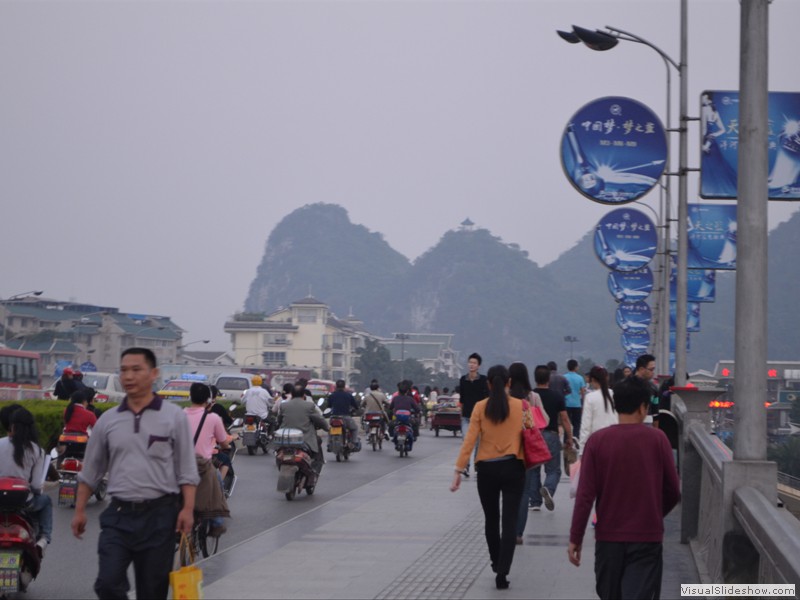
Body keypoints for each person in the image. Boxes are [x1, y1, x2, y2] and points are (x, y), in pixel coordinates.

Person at [71, 347, 199, 600]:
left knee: (152, 591)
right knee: (107, 584)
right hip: (118, 517)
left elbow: (187, 469)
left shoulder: (174, 417)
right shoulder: (107, 421)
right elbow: (91, 470)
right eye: (124, 370)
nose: (128, 376)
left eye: (136, 369)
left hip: (160, 517)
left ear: (154, 374)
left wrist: (187, 509)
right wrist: (80, 510)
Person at [568, 376, 681, 600]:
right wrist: (654, 515)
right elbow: (672, 491)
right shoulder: (658, 439)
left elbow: (585, 495)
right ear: (643, 407)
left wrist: (576, 537)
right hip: (646, 538)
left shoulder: (597, 442)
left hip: (608, 538)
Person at [451, 364, 526, 590]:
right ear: (509, 383)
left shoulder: (480, 408)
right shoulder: (522, 406)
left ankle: (495, 561)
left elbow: (470, 441)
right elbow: (532, 435)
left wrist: (458, 470)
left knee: (491, 519)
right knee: (510, 521)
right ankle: (502, 571)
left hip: (487, 469)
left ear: (489, 384)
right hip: (514, 468)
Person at [0, 407, 52, 559]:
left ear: (12, 426)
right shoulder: (37, 450)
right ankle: (44, 539)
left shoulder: (0, 443)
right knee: (46, 502)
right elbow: (36, 485)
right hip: (24, 503)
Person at [185, 382, 230, 538]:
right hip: (203, 466)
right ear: (209, 400)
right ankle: (216, 523)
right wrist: (225, 446)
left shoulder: (179, 415)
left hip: (180, 464)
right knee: (217, 482)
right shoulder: (213, 418)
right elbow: (224, 441)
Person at [527, 365, 573, 512]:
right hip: (551, 435)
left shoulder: (530, 396)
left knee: (534, 470)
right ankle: (548, 488)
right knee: (553, 470)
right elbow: (565, 418)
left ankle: (535, 502)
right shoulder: (557, 396)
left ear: (535, 379)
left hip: (534, 435)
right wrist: (569, 437)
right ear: (549, 379)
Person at [509, 361, 544, 544]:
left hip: (508, 450)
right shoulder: (532, 397)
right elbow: (543, 420)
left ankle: (508, 530)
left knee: (508, 493)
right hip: (527, 451)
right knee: (524, 493)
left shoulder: (505, 397)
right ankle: (518, 534)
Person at [278, 386, 330, 472]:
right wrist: (327, 428)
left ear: (292, 395)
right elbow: (320, 420)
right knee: (317, 443)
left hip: (285, 438)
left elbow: (279, 420)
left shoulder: (284, 405)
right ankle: (315, 470)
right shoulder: (309, 405)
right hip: (304, 439)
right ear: (304, 395)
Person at [458, 352, 489, 478]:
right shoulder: (463, 380)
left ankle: (477, 465)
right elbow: (462, 399)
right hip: (466, 417)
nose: (471, 365)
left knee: (478, 443)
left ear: (478, 366)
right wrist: (460, 415)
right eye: (470, 362)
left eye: (474, 363)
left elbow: (486, 398)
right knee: (466, 441)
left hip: (480, 417)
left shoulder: (483, 380)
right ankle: (465, 466)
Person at [579, 366, 617, 449]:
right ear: (607, 378)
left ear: (592, 379)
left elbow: (586, 426)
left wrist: (582, 450)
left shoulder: (590, 397)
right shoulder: (615, 395)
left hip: (597, 442)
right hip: (615, 440)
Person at [327, 379, 361, 450]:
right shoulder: (348, 395)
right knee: (354, 428)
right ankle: (354, 443)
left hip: (334, 417)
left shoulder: (332, 395)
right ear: (344, 386)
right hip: (346, 417)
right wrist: (356, 409)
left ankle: (329, 444)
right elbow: (355, 406)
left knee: (330, 429)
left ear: (336, 386)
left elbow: (329, 406)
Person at [389, 380, 421, 447]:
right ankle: (415, 436)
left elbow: (390, 407)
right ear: (407, 391)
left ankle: (392, 436)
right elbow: (416, 408)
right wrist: (418, 411)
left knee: (391, 424)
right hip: (407, 419)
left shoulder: (395, 398)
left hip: (397, 419)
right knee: (416, 423)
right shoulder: (410, 399)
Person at [633, 354, 659, 427]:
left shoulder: (653, 388)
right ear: (641, 369)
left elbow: (655, 412)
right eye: (651, 369)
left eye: (653, 369)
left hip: (648, 424)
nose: (653, 372)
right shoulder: (626, 386)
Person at [564, 359, 587, 439]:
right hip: (577, 404)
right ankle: (576, 439)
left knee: (566, 423)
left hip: (566, 404)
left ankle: (566, 440)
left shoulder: (564, 377)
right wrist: (583, 403)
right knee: (576, 424)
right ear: (576, 367)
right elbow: (583, 391)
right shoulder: (580, 378)